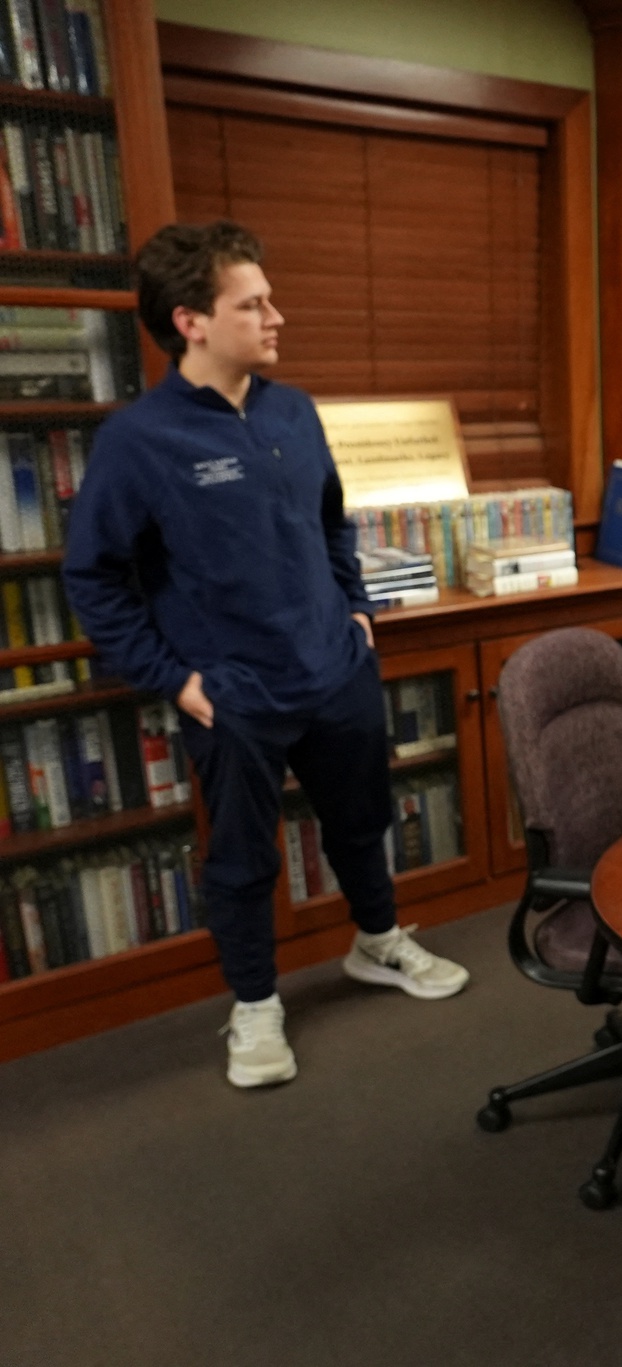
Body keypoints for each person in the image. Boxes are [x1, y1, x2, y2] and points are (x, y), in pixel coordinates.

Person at [63, 221, 468, 1088]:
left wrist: (355, 612)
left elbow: (331, 520)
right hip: (234, 693)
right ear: (192, 322)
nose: (275, 316)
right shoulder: (142, 440)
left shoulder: (293, 410)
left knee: (364, 820)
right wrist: (175, 679)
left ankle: (379, 940)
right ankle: (254, 1005)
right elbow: (93, 576)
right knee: (244, 858)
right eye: (253, 304)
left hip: (334, 667)